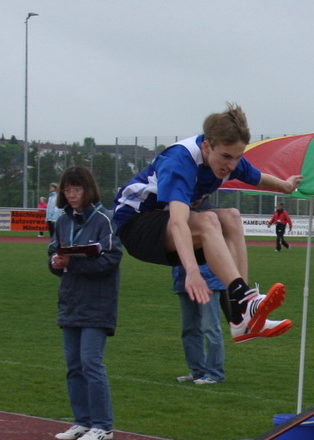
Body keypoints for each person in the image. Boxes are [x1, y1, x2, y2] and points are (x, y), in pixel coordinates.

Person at [113, 103, 302, 343]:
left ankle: (241, 314)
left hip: (166, 226)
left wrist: (286, 185)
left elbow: (258, 178)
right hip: (135, 226)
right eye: (226, 157)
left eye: (238, 158)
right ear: (206, 146)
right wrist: (192, 271)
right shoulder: (180, 161)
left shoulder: (228, 158)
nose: (231, 166)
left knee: (232, 216)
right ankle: (244, 304)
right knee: (208, 220)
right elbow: (178, 222)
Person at [49, 166, 123, 440]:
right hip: (70, 301)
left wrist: (74, 262)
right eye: (67, 190)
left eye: (77, 189)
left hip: (97, 303)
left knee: (91, 363)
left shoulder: (105, 219)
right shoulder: (62, 221)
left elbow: (111, 259)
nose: (71, 195)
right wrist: (56, 262)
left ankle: (103, 426)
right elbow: (53, 253)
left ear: (88, 190)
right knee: (74, 365)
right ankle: (82, 421)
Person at [173, 263, 226, 385]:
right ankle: (198, 371)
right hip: (183, 280)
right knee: (189, 329)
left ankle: (215, 373)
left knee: (210, 328)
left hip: (208, 280)